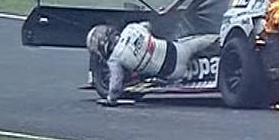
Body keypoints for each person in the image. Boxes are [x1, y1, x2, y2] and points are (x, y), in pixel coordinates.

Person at [86, 22, 218, 106]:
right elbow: (148, 25)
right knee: (205, 39)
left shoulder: (114, 60)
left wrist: (111, 100)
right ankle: (222, 40)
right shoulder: (130, 28)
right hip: (179, 50)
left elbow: (115, 86)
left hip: (173, 73)